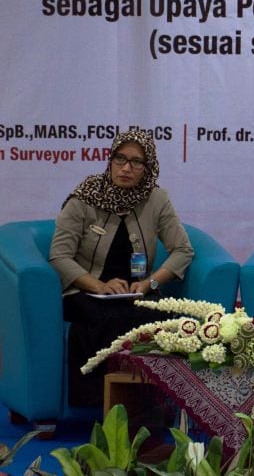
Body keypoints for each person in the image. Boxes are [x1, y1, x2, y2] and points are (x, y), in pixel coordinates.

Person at [48, 128, 194, 406]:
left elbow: (183, 250)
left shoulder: (156, 199)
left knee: (158, 317)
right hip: (86, 292)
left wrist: (150, 283)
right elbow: (59, 256)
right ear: (110, 159)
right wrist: (99, 286)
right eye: (120, 159)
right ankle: (100, 405)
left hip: (136, 292)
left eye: (136, 162)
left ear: (147, 168)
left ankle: (148, 406)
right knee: (107, 318)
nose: (126, 168)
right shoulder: (84, 197)